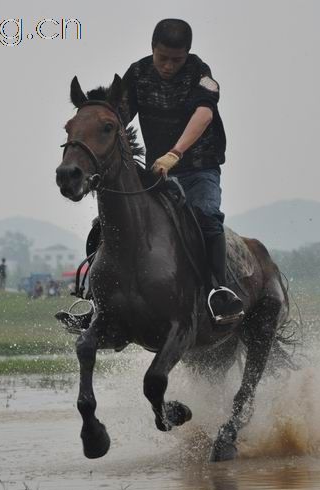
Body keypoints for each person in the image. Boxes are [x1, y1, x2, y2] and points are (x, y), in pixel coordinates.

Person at [58, 18, 243, 331]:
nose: (169, 65)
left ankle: (217, 291)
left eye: (176, 60)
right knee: (104, 226)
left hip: (199, 168)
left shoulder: (201, 74)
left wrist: (175, 153)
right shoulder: (138, 73)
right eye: (163, 58)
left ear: (187, 55)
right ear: (152, 50)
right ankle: (94, 300)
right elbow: (115, 118)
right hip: (156, 171)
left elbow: (204, 114)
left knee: (208, 219)